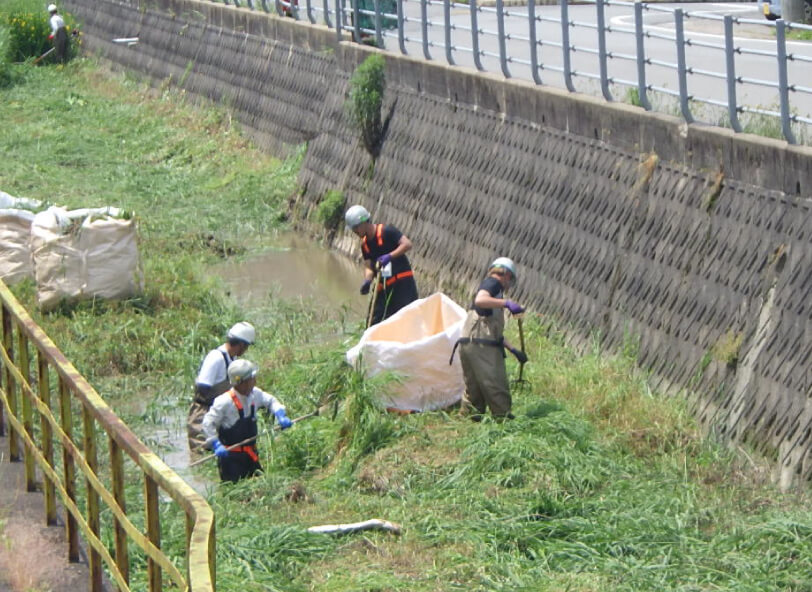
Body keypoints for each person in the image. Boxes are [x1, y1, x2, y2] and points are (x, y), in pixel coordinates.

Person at [456, 257, 528, 420]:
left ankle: (469, 420)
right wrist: (507, 303)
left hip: (469, 343)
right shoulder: (493, 283)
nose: (508, 284)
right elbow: (480, 300)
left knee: (473, 388)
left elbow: (493, 334)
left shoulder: (492, 296)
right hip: (482, 347)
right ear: (506, 275)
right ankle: (503, 422)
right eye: (510, 279)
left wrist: (514, 350)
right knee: (496, 385)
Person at [202, 359, 292, 483]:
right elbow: (208, 422)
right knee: (235, 493)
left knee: (260, 486)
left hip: (251, 455)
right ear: (241, 382)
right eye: (251, 378)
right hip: (231, 459)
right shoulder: (224, 402)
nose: (254, 381)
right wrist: (216, 444)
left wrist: (280, 414)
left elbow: (271, 401)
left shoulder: (255, 394)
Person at [187, 322, 256, 452]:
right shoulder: (216, 358)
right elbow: (202, 389)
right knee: (203, 453)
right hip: (203, 412)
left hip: (218, 412)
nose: (246, 350)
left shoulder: (232, 359)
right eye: (246, 347)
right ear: (241, 344)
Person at [345, 204, 418, 325]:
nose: (355, 232)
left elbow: (407, 244)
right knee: (374, 321)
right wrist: (367, 281)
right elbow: (369, 266)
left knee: (407, 319)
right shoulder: (365, 245)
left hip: (402, 284)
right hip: (384, 286)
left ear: (363, 223)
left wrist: (390, 256)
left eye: (355, 228)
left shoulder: (387, 231)